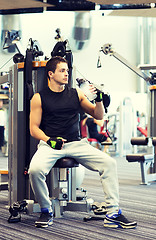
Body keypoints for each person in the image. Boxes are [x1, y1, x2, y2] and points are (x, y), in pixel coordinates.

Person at [28, 56, 137, 229]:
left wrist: (99, 99)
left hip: (76, 144)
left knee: (109, 163)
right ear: (50, 74)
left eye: (67, 70)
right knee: (35, 170)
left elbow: (98, 115)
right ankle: (46, 210)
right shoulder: (39, 98)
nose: (66, 73)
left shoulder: (76, 93)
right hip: (51, 144)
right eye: (62, 70)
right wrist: (50, 140)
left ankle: (113, 213)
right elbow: (34, 129)